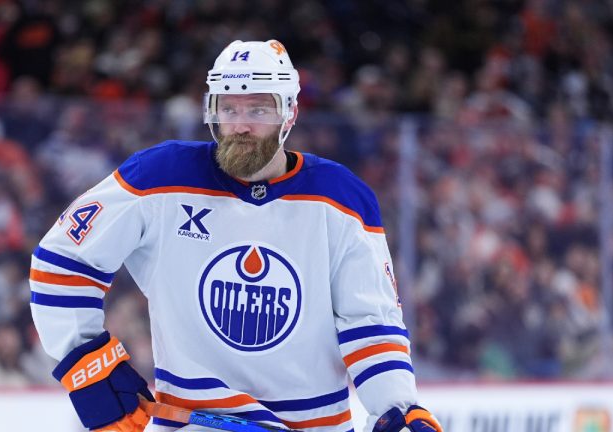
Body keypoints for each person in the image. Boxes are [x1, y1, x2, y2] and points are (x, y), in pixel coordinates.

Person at [30, 40, 442, 432]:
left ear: (290, 114)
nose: (241, 125)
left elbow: (371, 323)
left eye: (259, 110)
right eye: (229, 107)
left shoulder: (342, 199)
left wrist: (398, 408)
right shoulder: (160, 178)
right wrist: (91, 367)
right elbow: (62, 262)